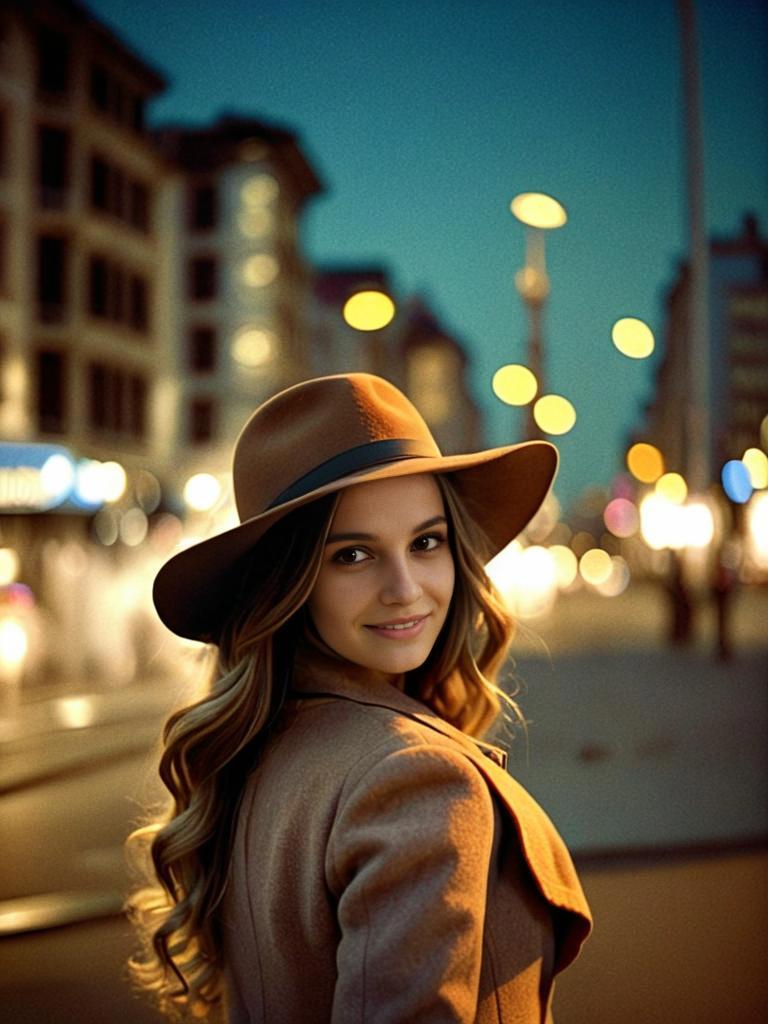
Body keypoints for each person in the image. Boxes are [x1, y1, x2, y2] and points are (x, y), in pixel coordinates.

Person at [126, 372, 592, 1023]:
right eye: (352, 555)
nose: (405, 588)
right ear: (291, 584)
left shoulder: (262, 751)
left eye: (426, 542)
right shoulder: (417, 778)